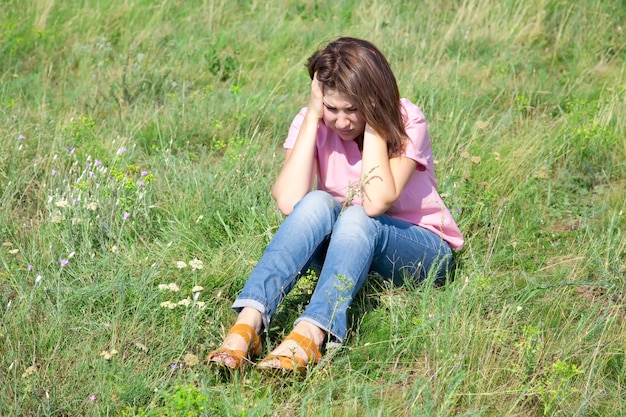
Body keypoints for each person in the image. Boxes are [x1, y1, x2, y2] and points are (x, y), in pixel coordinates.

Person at [207, 37, 463, 373]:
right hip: (349, 248)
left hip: (421, 252)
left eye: (352, 109)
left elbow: (375, 202)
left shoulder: (405, 119)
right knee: (315, 201)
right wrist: (313, 117)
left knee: (358, 214)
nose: (341, 122)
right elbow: (288, 200)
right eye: (332, 108)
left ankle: (312, 331)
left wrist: (374, 120)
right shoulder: (312, 120)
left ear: (372, 99)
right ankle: (249, 324)